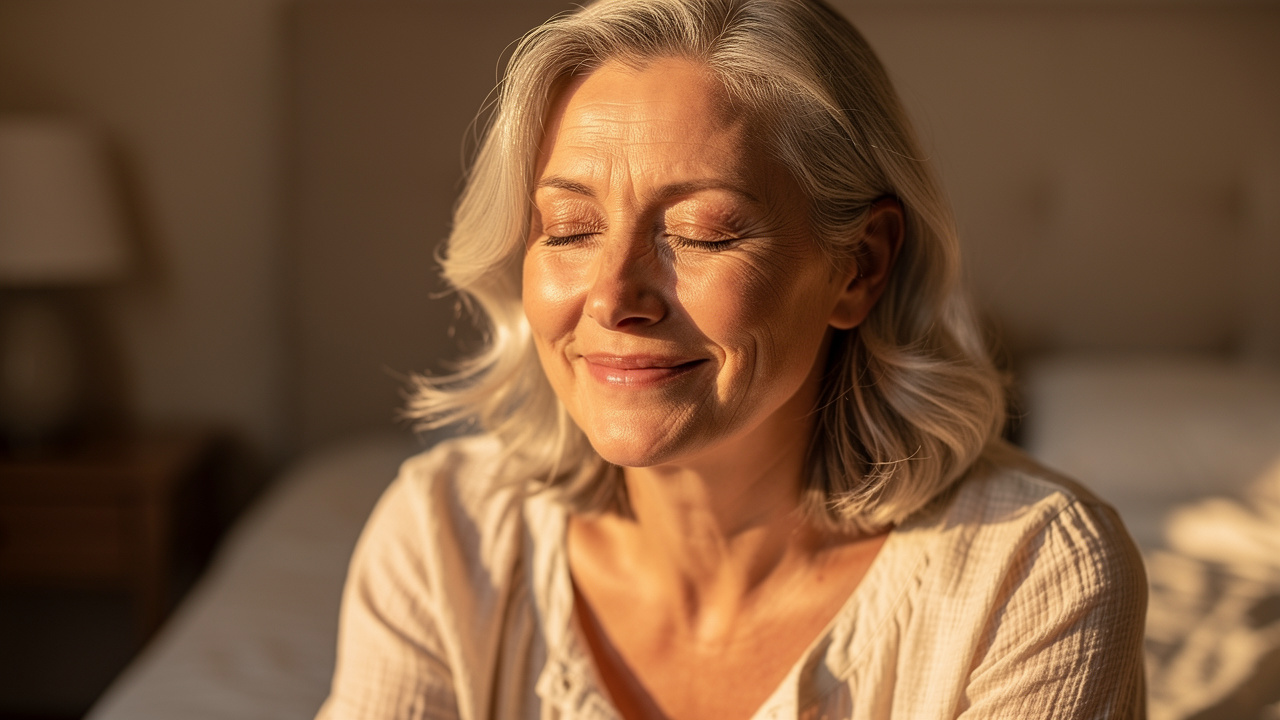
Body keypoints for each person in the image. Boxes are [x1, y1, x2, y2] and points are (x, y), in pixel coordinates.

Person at [317, 0, 1148, 717]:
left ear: (858, 266)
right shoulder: (443, 535)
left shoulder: (1034, 575)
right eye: (568, 229)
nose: (613, 299)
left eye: (702, 233)